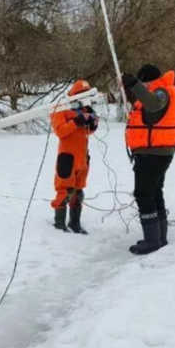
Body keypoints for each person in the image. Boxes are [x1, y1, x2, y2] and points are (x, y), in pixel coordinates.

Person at [122, 64, 175, 255]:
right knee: (155, 191)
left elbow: (153, 104)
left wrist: (134, 84)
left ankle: (152, 241)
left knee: (143, 194)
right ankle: (159, 237)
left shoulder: (162, 92)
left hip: (153, 153)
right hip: (157, 152)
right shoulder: (168, 91)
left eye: (142, 83)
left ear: (147, 80)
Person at [51, 80, 99, 234]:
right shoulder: (62, 108)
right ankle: (59, 225)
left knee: (79, 192)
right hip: (67, 157)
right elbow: (60, 131)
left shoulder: (85, 108)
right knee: (65, 191)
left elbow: (86, 132)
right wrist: (77, 121)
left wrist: (92, 124)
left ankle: (75, 223)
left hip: (83, 158)